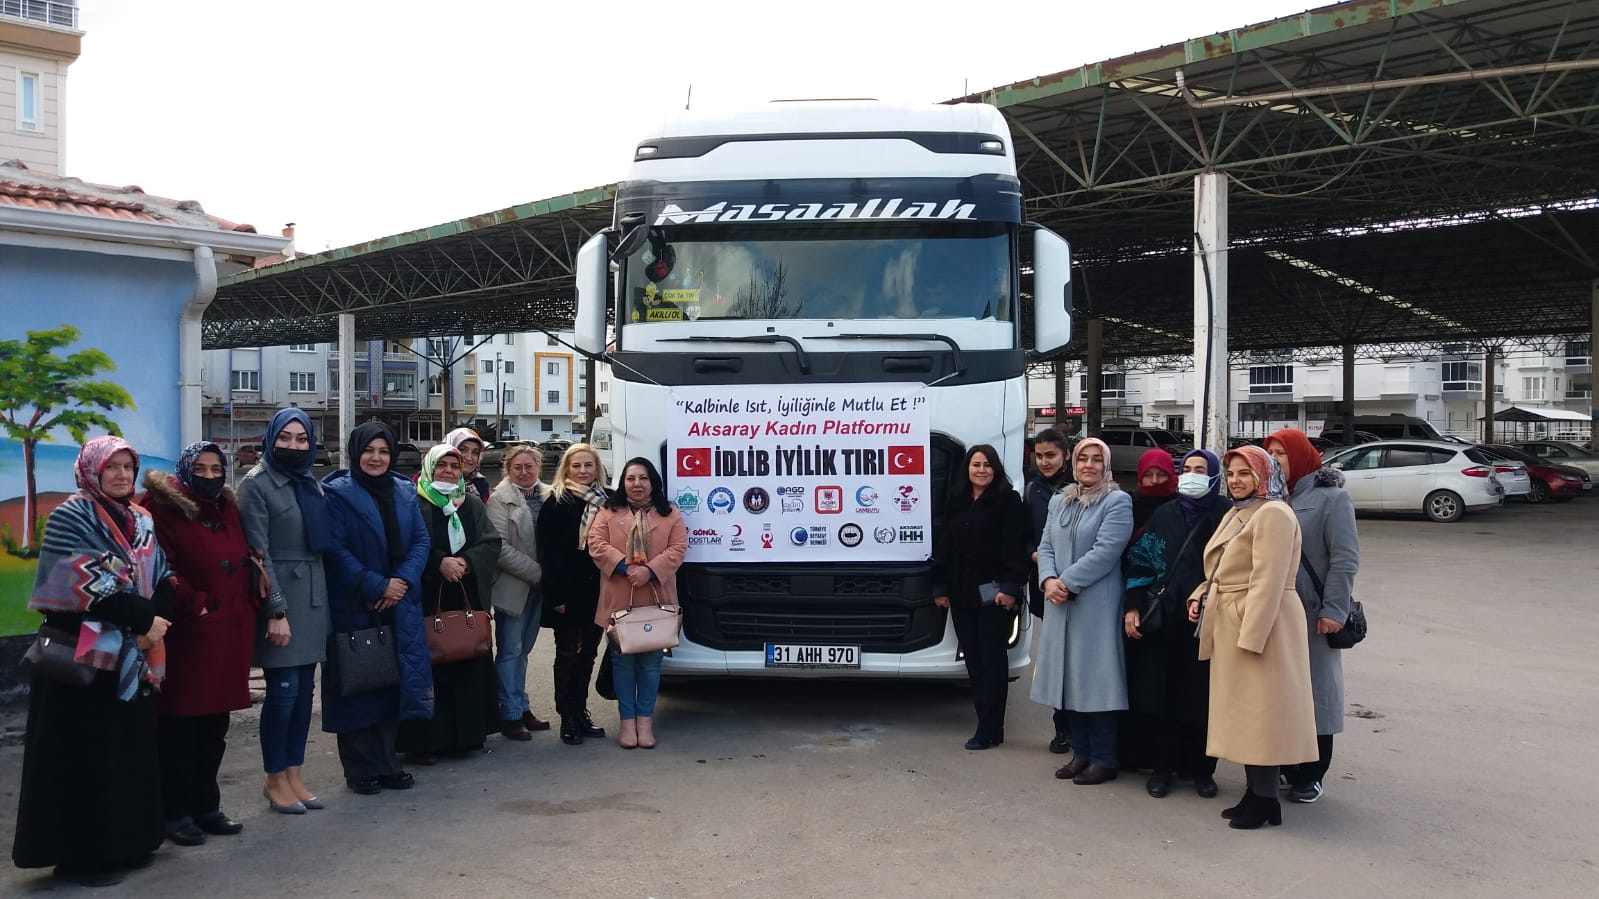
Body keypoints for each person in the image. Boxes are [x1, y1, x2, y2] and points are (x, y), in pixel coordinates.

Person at [13, 436, 174, 888]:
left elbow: (162, 573)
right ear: (91, 471)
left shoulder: (141, 518)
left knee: (126, 750)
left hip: (132, 656)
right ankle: (82, 857)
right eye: (112, 467)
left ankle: (129, 842)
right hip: (82, 655)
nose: (122, 475)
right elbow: (81, 584)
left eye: (128, 467)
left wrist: (156, 618)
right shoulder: (71, 516)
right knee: (84, 754)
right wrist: (145, 618)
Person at [1185, 445, 1318, 830]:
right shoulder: (1241, 511)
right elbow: (1222, 570)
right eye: (1231, 474)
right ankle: (1256, 794)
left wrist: (1251, 636)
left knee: (1262, 717)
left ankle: (1264, 799)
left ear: (1264, 475)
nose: (1236, 481)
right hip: (1237, 621)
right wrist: (1200, 596)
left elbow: (1268, 581)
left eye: (1245, 473)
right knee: (1247, 717)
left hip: (1262, 628)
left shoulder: (1273, 513)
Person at [137, 442, 254, 845]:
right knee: (180, 729)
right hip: (190, 635)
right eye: (200, 468)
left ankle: (207, 805)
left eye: (216, 468)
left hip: (228, 632)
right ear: (185, 469)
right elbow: (160, 567)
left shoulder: (226, 506)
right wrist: (197, 604)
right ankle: (175, 811)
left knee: (214, 728)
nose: (209, 475)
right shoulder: (161, 507)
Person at [321, 423, 434, 795]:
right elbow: (335, 549)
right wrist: (376, 584)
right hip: (356, 602)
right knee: (359, 684)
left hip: (399, 602)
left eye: (383, 451)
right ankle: (360, 768)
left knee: (392, 684)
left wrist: (400, 582)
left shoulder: (404, 491)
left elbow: (421, 540)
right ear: (356, 453)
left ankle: (387, 762)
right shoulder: (337, 494)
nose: (376, 458)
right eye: (369, 450)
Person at [237, 408, 332, 814]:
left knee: (304, 692)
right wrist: (275, 610)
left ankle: (294, 773)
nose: (293, 445)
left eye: (301, 438)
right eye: (285, 437)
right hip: (281, 599)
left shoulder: (309, 482)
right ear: (271, 439)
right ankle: (275, 777)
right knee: (283, 692)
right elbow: (258, 554)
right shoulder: (256, 484)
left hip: (313, 595)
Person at [1120, 449, 1230, 799]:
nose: (1193, 475)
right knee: (1162, 696)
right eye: (1188, 468)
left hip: (1208, 620)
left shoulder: (1227, 514)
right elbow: (1141, 562)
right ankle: (1162, 768)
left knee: (1202, 698)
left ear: (1214, 475)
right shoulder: (1166, 514)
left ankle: (1201, 770)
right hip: (1165, 621)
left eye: (1201, 469)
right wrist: (1133, 606)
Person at [1032, 437, 1134, 785]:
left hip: (1095, 606)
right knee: (1069, 678)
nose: (1088, 465)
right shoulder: (1060, 500)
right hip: (1060, 604)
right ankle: (1081, 753)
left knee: (1097, 681)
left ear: (1106, 465)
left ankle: (1104, 758)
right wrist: (1048, 580)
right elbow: (1046, 545)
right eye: (1082, 459)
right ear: (1073, 464)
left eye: (1096, 459)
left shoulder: (1117, 501)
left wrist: (1066, 582)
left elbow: (1107, 551)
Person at [1267, 427, 1359, 804]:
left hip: (1313, 613)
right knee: (1281, 691)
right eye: (1271, 453)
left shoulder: (1331, 498)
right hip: (1275, 612)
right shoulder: (1270, 496)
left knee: (1317, 691)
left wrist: (1335, 609)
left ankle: (1312, 773)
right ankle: (1285, 761)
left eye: (1282, 453)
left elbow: (1344, 558)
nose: (1275, 460)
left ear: (1301, 456)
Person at [398, 444, 502, 763]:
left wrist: (467, 562)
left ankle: (465, 737)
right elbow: (404, 545)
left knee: (466, 662)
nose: (448, 471)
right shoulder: (414, 502)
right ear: (429, 468)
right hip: (427, 596)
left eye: (454, 467)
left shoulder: (470, 503)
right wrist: (439, 562)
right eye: (441, 465)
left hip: (465, 594)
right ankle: (427, 742)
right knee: (431, 667)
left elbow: (491, 542)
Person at [931, 445, 1028, 750]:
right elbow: (945, 545)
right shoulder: (957, 500)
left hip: (995, 595)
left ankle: (989, 728)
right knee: (973, 662)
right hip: (961, 594)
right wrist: (940, 587)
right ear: (967, 469)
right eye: (976, 464)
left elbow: (1016, 547)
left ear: (995, 468)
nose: (982, 470)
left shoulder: (1008, 500)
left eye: (987, 464)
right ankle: (988, 725)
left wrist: (1010, 588)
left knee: (992, 662)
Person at [587, 457, 688, 749]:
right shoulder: (608, 510)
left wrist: (650, 571)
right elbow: (596, 543)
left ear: (653, 482)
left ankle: (645, 723)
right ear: (623, 483)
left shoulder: (670, 513)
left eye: (643, 478)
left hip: (656, 599)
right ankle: (627, 723)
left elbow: (678, 547)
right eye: (631, 479)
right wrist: (625, 567)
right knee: (622, 663)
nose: (637, 484)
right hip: (620, 597)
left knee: (651, 665)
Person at [536, 443, 611, 745]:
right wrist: (556, 597)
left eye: (588, 465)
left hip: (598, 592)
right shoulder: (556, 502)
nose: (582, 471)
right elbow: (548, 553)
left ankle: (581, 711)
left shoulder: (607, 501)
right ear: (566, 468)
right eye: (576, 465)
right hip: (567, 593)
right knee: (568, 655)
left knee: (589, 654)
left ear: (597, 468)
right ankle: (566, 715)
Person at [486, 444, 550, 740]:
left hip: (540, 588)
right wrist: (539, 574)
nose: (524, 472)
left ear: (538, 467)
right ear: (508, 470)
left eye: (529, 466)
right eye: (517, 467)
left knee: (523, 651)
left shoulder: (550, 495)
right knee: (509, 651)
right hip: (514, 586)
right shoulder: (499, 500)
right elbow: (499, 548)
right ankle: (509, 714)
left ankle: (521, 707)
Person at [1024, 428, 1073, 754]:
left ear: (1066, 455)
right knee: (1055, 659)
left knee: (1078, 660)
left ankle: (1081, 725)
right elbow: (1024, 534)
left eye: (1051, 455)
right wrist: (1035, 555)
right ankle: (1062, 728)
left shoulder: (1080, 486)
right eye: (1040, 456)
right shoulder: (1033, 490)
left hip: (1078, 584)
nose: (1044, 462)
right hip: (1045, 583)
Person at [1131, 449, 1177, 534]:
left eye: (1161, 474)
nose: (1154, 480)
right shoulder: (1129, 504)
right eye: (1147, 475)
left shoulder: (1181, 506)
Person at [446, 427, 492, 502]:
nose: (469, 458)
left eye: (475, 452)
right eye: (463, 450)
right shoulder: (434, 481)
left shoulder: (481, 484)